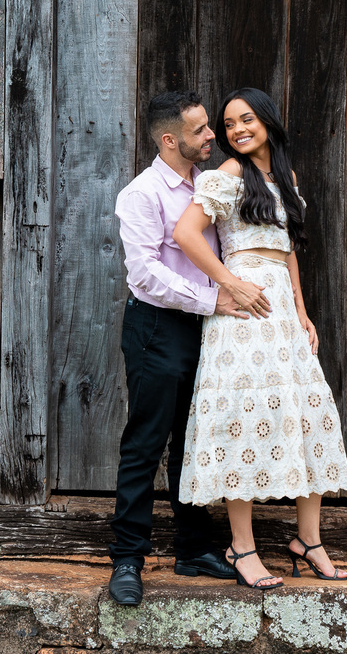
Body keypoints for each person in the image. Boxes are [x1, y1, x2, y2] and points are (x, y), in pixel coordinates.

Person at [173, 87, 347, 591]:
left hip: (281, 313)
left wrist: (302, 309)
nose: (236, 131)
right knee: (244, 422)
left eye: (245, 119)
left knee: (304, 413)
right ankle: (242, 547)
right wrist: (229, 283)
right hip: (244, 311)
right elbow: (187, 235)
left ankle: (308, 540)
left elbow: (288, 248)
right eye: (229, 124)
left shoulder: (285, 177)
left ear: (268, 121)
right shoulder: (227, 176)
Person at [108, 90, 256, 606]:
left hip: (206, 329)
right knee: (146, 442)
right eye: (200, 131)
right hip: (158, 327)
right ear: (170, 140)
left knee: (195, 438)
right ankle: (128, 558)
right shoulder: (142, 194)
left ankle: (193, 549)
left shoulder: (210, 185)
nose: (212, 135)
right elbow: (144, 275)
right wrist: (213, 299)